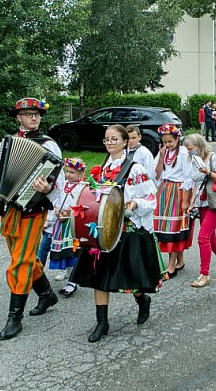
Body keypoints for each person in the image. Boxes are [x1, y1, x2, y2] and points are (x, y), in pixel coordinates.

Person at [69, 124, 163, 343]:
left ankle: (142, 300)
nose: (109, 143)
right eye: (106, 139)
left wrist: (134, 204)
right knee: (98, 276)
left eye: (114, 139)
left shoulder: (135, 169)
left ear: (125, 142)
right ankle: (102, 322)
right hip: (105, 230)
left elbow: (150, 197)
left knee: (131, 279)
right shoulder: (102, 169)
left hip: (128, 229)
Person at [0, 98, 64, 340]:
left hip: (34, 209)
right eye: (28, 114)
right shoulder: (8, 143)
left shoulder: (49, 144)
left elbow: (58, 181)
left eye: (36, 114)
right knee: (23, 257)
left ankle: (14, 319)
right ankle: (47, 294)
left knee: (20, 262)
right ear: (19, 117)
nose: (34, 117)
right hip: (9, 209)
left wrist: (47, 188)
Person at [184, 133, 216, 288]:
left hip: (215, 201)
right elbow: (195, 184)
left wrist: (208, 173)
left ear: (199, 146)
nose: (189, 151)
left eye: (191, 148)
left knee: (203, 237)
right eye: (187, 149)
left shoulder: (214, 158)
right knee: (210, 237)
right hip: (202, 202)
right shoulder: (194, 160)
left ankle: (204, 274)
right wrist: (192, 203)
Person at [37, 158, 87, 298]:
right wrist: (57, 211)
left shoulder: (83, 188)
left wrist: (70, 213)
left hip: (71, 226)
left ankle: (72, 283)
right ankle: (36, 277)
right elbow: (54, 200)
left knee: (70, 253)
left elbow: (83, 205)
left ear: (81, 174)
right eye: (67, 171)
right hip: (56, 224)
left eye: (72, 172)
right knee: (45, 249)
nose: (68, 174)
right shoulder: (62, 185)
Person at [153, 123, 194, 278]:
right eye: (165, 141)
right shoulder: (163, 153)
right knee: (166, 226)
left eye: (170, 141)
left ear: (178, 139)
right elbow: (157, 174)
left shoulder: (183, 153)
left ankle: (171, 266)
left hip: (178, 191)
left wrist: (186, 200)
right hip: (164, 190)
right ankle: (180, 261)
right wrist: (161, 156)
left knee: (174, 227)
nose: (167, 144)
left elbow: (188, 177)